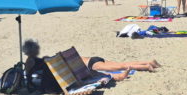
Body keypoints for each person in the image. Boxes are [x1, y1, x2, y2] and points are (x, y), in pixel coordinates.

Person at [22, 39, 161, 87]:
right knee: (121, 63)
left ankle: (147, 66)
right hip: (92, 59)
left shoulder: (37, 61)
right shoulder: (48, 57)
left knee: (120, 67)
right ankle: (148, 62)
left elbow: (30, 72)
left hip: (92, 65)